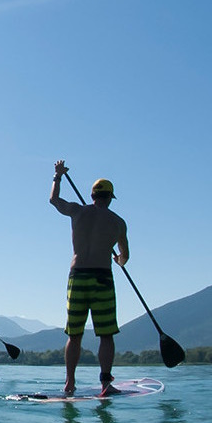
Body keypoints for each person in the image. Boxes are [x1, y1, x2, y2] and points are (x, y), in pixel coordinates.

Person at [50, 160, 129, 395]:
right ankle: (106, 384)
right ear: (110, 197)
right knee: (106, 334)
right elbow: (124, 257)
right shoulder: (118, 223)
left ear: (92, 195)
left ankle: (69, 383)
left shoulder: (77, 211)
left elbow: (54, 200)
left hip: (77, 277)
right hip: (103, 277)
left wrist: (57, 176)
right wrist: (118, 259)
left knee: (74, 335)